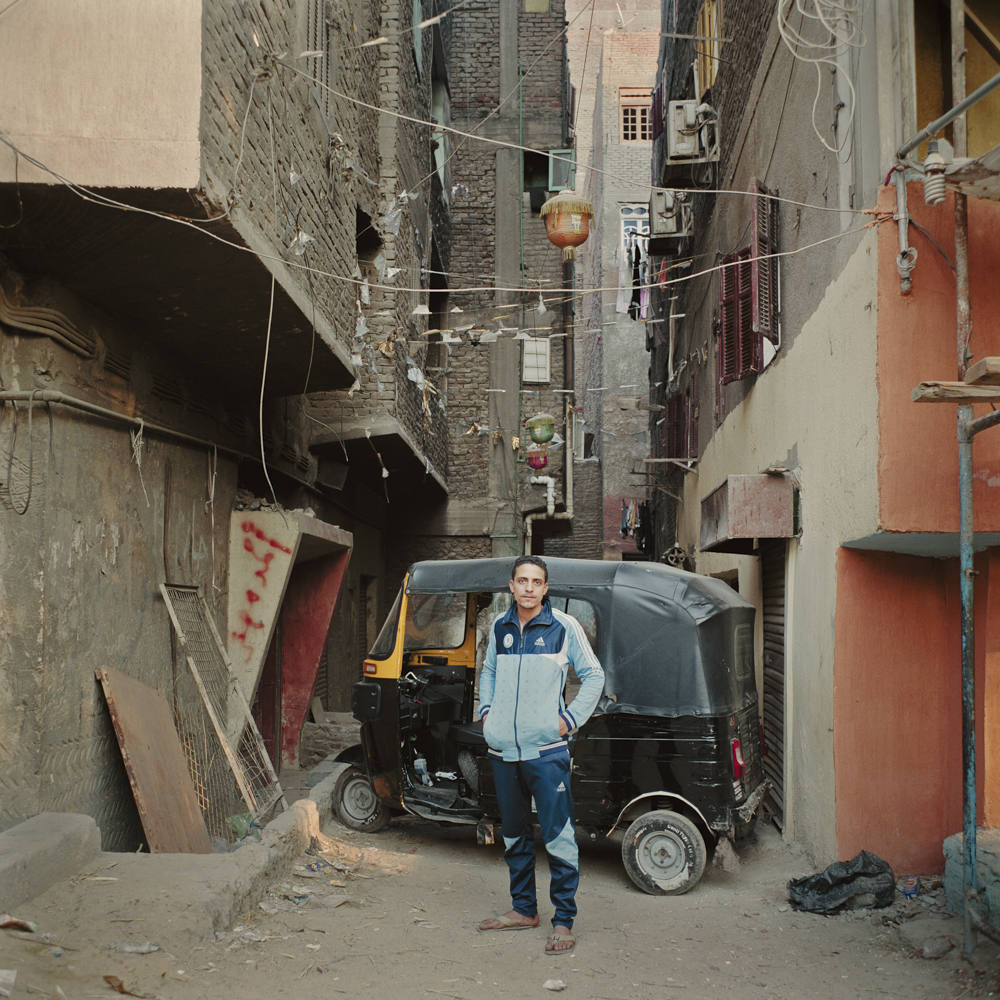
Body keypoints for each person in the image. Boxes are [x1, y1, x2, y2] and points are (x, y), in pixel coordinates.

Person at [476, 555, 605, 956]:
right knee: (514, 834)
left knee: (559, 837)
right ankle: (524, 910)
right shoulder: (499, 627)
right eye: (522, 581)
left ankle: (563, 920)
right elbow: (489, 671)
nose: (529, 588)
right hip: (504, 752)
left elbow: (594, 676)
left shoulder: (565, 628)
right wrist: (486, 714)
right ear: (511, 586)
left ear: (545, 589)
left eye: (537, 582)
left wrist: (568, 721)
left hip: (547, 753)